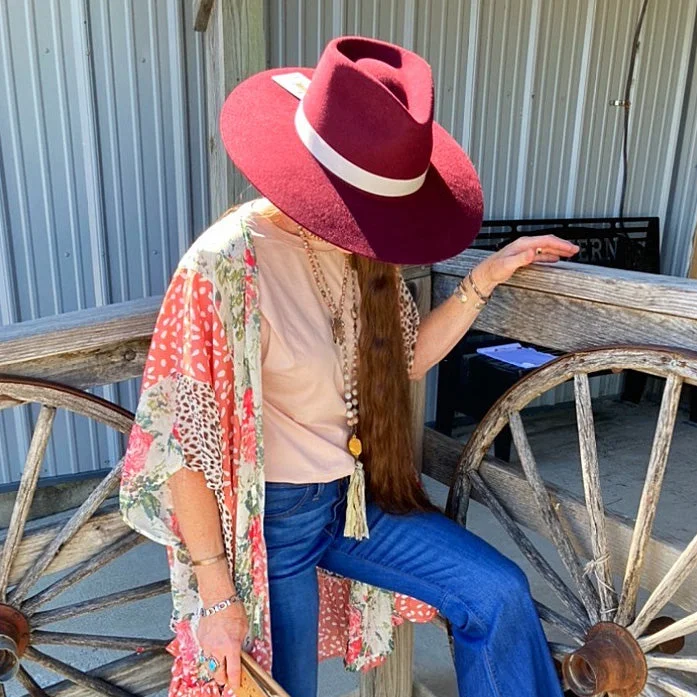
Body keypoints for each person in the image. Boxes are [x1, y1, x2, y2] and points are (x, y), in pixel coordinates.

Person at [119, 36, 579, 697]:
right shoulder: (224, 264)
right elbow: (176, 442)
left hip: (355, 503)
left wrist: (484, 276)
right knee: (283, 689)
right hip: (269, 523)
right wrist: (216, 593)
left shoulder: (367, 254)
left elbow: (405, 361)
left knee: (494, 591)